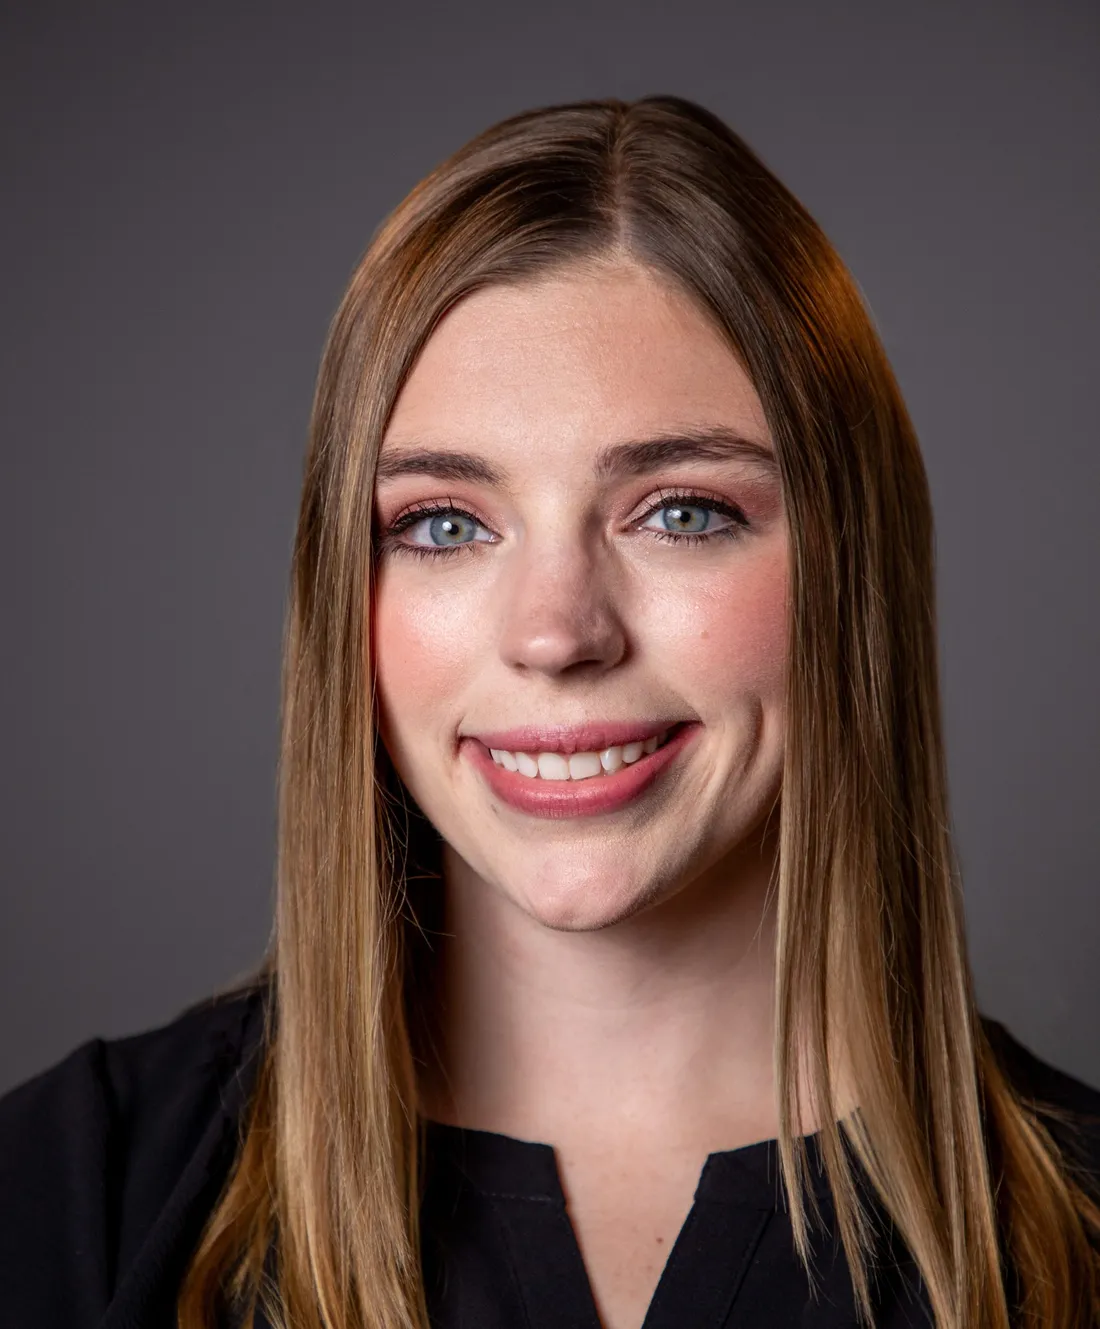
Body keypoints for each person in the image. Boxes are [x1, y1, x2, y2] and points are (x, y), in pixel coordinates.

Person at [1, 95, 1097, 1329]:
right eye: (443, 524)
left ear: (852, 570)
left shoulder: (1081, 1231)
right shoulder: (70, 1199)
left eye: (680, 512)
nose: (554, 633)